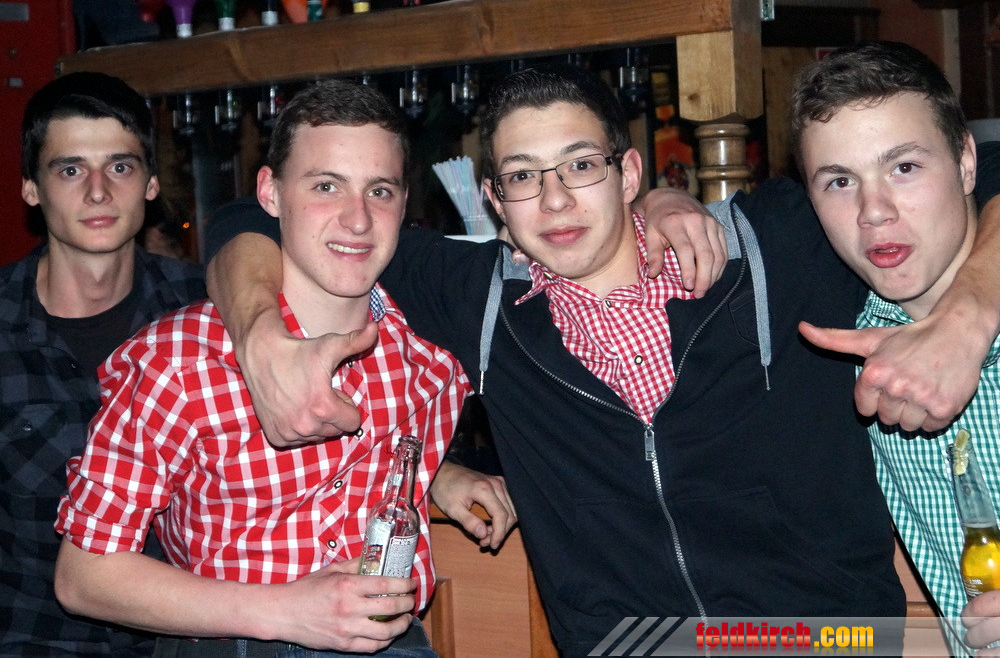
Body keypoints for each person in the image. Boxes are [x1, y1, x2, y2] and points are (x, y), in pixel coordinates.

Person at [203, 65, 1000, 655]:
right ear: (494, 201)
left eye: (581, 165)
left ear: (629, 172)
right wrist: (259, 334)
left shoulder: (767, 250)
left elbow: (978, 167)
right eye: (524, 177)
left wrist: (970, 312)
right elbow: (255, 216)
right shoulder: (482, 300)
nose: (554, 200)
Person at [53, 78, 514, 656]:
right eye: (326, 186)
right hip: (234, 642)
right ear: (269, 194)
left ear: (403, 205)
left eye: (379, 191)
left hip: (394, 642)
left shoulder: (432, 361)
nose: (357, 220)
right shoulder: (178, 359)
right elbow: (83, 576)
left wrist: (439, 472)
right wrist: (289, 611)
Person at [788, 41, 1000, 654]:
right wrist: (662, 205)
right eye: (839, 181)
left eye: (904, 167)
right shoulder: (839, 338)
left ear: (966, 162)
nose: (873, 211)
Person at [0, 71, 206, 656]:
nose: (97, 191)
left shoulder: (208, 311)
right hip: (34, 642)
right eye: (70, 170)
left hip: (187, 639)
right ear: (31, 189)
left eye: (119, 166)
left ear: (151, 184)